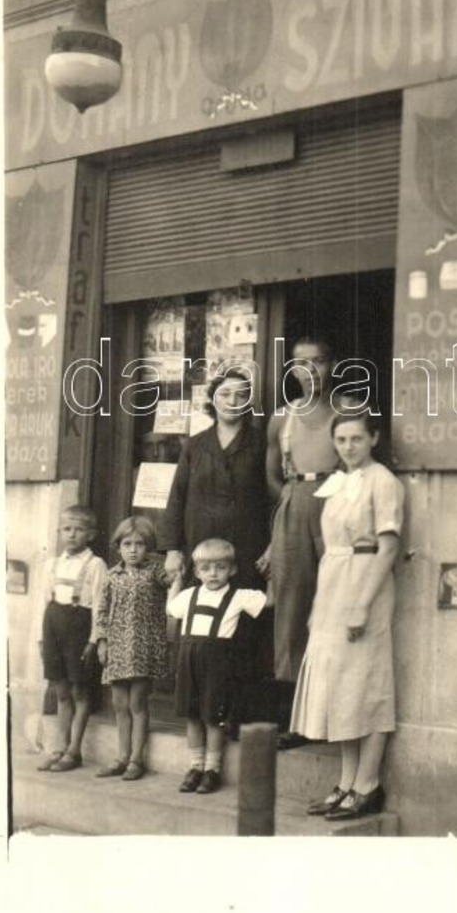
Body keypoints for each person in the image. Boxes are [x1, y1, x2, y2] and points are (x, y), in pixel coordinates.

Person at [290, 413, 404, 821]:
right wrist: (322, 605)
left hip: (365, 582)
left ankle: (368, 784)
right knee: (340, 686)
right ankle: (346, 781)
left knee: (367, 684)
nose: (348, 446)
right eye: (341, 439)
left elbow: (389, 548)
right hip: (334, 583)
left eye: (357, 438)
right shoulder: (337, 482)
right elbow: (330, 546)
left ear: (373, 438)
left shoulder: (383, 481)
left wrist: (360, 604)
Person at [159, 368, 272, 725]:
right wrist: (173, 548)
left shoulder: (260, 444)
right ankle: (201, 715)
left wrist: (272, 546)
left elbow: (273, 498)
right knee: (202, 632)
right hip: (202, 550)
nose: (233, 402)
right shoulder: (195, 444)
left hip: (246, 547)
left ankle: (237, 716)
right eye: (225, 395)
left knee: (243, 630)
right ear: (212, 399)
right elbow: (177, 496)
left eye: (241, 396)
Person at [265, 335, 352, 746]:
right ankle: (293, 718)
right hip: (296, 504)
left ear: (331, 365)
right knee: (291, 607)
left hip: (336, 505)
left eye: (318, 362)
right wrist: (288, 497)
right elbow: (270, 474)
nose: (310, 371)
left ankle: (333, 713)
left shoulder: (350, 410)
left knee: (335, 605)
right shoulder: (282, 418)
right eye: (301, 363)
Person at [167, 539, 267, 794]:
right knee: (192, 715)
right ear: (197, 571)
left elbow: (269, 602)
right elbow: (171, 608)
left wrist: (272, 573)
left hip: (217, 663)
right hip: (188, 660)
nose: (213, 573)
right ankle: (195, 767)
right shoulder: (189, 595)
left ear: (232, 570)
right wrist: (176, 581)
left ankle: (212, 769)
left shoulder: (239, 596)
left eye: (220, 567)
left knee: (213, 717)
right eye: (206, 568)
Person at [94, 516, 169, 781]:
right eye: (128, 543)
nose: (133, 549)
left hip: (144, 645)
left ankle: (137, 759)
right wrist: (101, 641)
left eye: (140, 544)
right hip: (117, 644)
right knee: (119, 703)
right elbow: (101, 611)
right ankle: (121, 756)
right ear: (119, 546)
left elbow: (173, 582)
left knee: (137, 702)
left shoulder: (155, 572)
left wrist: (176, 563)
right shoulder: (112, 576)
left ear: (148, 547)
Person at [37, 505, 107, 773]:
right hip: (53, 626)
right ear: (59, 532)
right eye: (67, 529)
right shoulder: (52, 564)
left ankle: (74, 750)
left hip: (80, 627)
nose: (72, 534)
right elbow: (44, 603)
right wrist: (41, 639)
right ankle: (59, 747)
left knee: (79, 690)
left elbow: (100, 603)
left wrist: (94, 639)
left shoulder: (95, 564)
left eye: (79, 530)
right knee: (61, 690)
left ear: (91, 534)